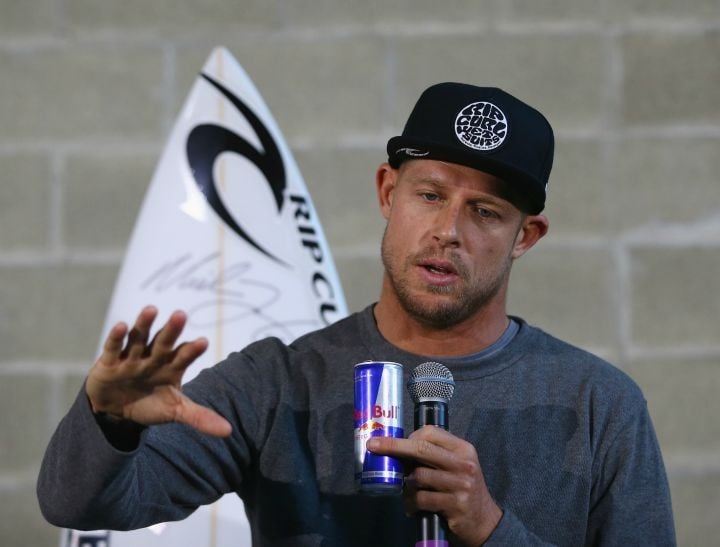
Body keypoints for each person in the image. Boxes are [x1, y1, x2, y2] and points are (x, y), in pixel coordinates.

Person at [37, 83, 676, 546]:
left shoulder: (601, 406)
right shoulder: (275, 383)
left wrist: (490, 527)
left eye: (486, 212)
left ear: (526, 236)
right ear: (387, 193)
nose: (448, 231)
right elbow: (77, 503)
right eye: (429, 195)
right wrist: (111, 423)